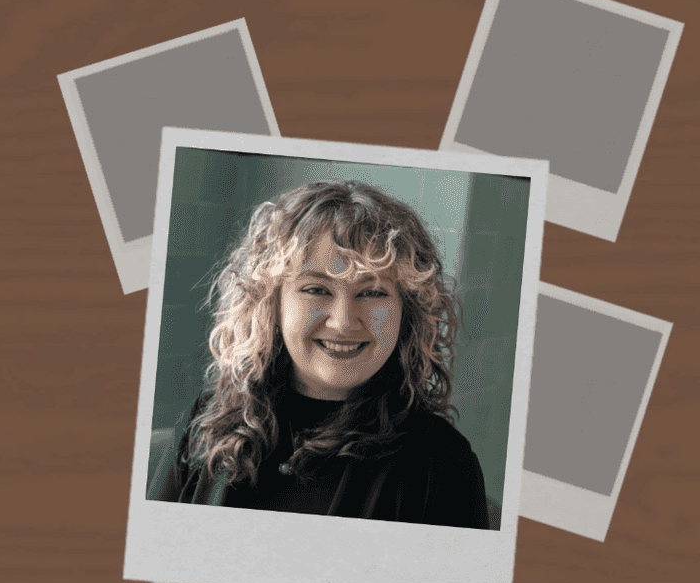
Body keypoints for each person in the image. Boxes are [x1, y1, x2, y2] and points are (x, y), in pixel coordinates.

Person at [154, 179, 490, 529]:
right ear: (272, 303)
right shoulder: (207, 422)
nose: (344, 322)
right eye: (316, 289)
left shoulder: (444, 465)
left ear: (407, 312)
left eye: (372, 292)